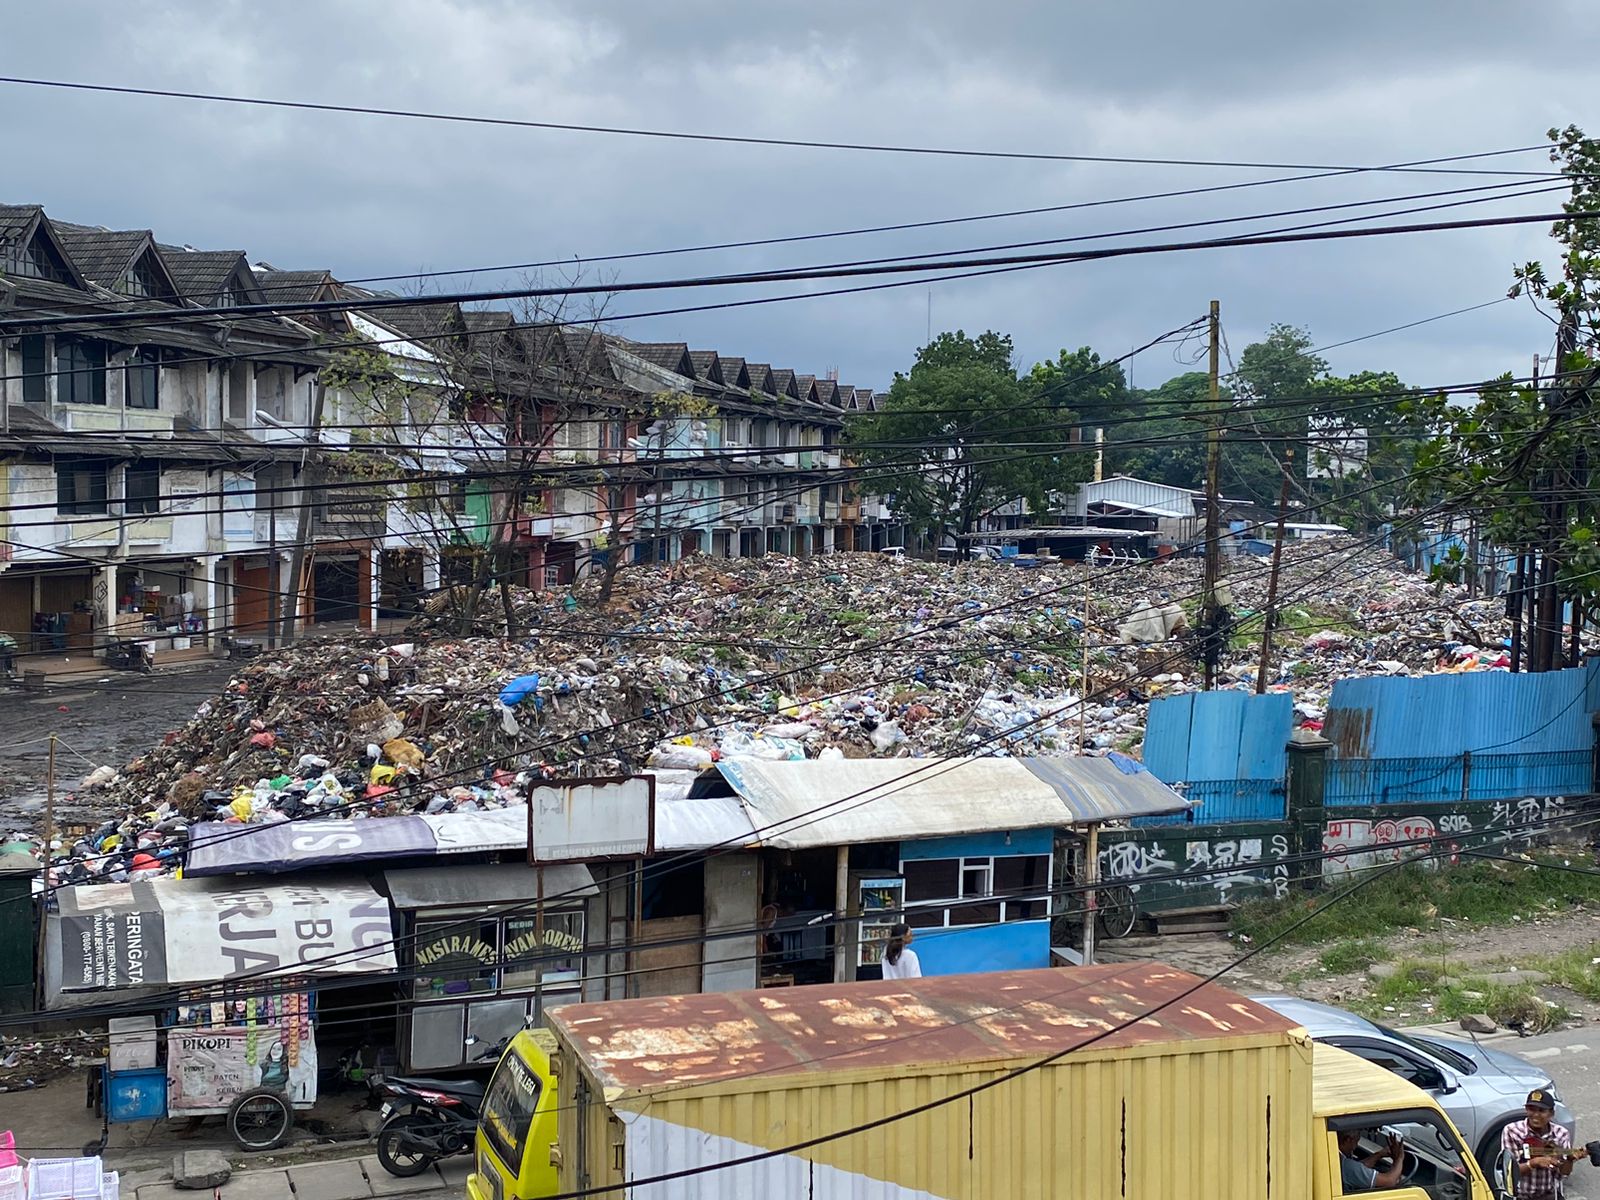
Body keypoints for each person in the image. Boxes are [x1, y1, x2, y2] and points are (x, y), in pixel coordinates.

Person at [1502, 1088, 1573, 1199]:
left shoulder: (1561, 1134)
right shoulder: (1512, 1131)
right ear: (1526, 1109)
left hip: (1549, 1194)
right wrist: (1533, 1163)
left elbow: (1565, 1172)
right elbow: (1509, 1173)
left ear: (1551, 1113)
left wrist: (1569, 1158)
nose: (1536, 1115)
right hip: (1521, 1196)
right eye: (1531, 1109)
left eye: (1541, 1110)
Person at [1337, 1129, 1406, 1193]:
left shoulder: (1337, 1159)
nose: (1356, 1146)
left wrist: (1379, 1154)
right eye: (1356, 1141)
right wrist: (1399, 1158)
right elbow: (1390, 1181)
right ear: (1348, 1140)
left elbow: (1359, 1168)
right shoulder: (1347, 1166)